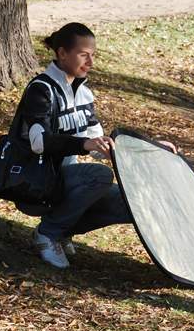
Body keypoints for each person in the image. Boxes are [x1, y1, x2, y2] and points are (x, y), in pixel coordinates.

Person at [13, 22, 175, 269]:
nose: (90, 62)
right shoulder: (41, 90)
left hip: (63, 181)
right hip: (35, 182)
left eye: (93, 55)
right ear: (62, 53)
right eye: (83, 55)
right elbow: (38, 142)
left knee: (130, 200)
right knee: (100, 176)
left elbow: (101, 145)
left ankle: (62, 229)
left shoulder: (83, 93)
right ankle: (48, 234)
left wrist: (150, 148)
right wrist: (83, 144)